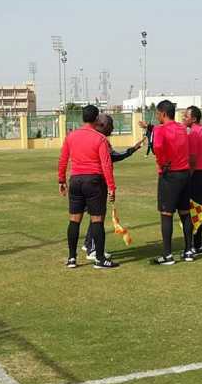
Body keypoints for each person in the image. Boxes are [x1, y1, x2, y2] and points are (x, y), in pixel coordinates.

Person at [58, 105, 117, 269]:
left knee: (74, 220)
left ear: (82, 118)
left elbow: (63, 159)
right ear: (97, 119)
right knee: (97, 220)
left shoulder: (71, 136)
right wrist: (112, 187)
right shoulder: (100, 139)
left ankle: (71, 258)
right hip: (94, 181)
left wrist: (61, 180)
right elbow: (106, 165)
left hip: (75, 180)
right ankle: (99, 259)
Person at [81, 113, 144, 260]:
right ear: (102, 125)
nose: (113, 128)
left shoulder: (88, 136)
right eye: (111, 125)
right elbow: (112, 158)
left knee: (92, 214)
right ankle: (93, 250)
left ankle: (87, 243)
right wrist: (131, 150)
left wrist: (132, 149)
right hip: (95, 181)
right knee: (97, 215)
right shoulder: (100, 140)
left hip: (81, 180)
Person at [139, 100, 194, 265]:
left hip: (169, 175)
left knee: (166, 214)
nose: (157, 116)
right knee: (185, 213)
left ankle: (168, 255)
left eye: (157, 113)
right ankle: (189, 251)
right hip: (184, 174)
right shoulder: (182, 128)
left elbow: (158, 147)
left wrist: (163, 164)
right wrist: (149, 127)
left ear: (162, 113)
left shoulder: (161, 130)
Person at [183, 106, 202, 256]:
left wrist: (188, 176)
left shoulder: (194, 133)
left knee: (197, 209)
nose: (183, 118)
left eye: (186, 116)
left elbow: (193, 159)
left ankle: (197, 245)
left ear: (194, 119)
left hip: (198, 174)